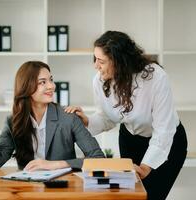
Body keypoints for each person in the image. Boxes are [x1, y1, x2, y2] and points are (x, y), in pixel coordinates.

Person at [65, 31, 187, 200]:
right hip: (130, 140)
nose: (96, 66)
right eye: (95, 59)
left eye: (101, 61)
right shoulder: (99, 80)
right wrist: (87, 121)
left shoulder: (156, 77)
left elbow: (164, 131)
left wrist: (145, 166)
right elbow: (107, 117)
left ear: (119, 62)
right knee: (129, 196)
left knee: (151, 196)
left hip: (168, 144)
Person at [0, 61, 104, 171]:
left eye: (51, 80)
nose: (51, 86)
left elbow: (98, 158)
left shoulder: (68, 117)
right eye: (42, 82)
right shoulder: (14, 121)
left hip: (62, 188)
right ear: (26, 87)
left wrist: (57, 164)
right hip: (26, 190)